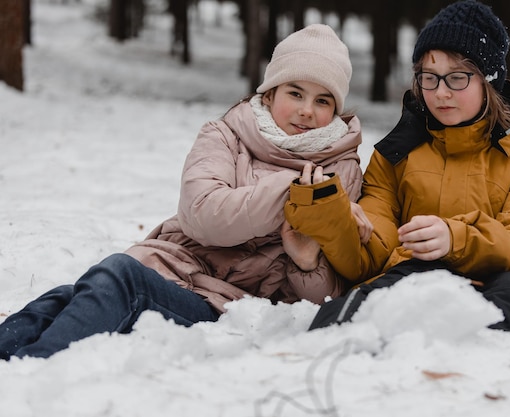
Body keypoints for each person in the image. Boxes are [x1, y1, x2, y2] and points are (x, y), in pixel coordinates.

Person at [0, 23, 364, 360]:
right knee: (78, 294)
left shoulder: (342, 172)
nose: (305, 111)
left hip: (228, 308)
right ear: (269, 94)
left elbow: (326, 298)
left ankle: (33, 372)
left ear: (335, 110)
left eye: (322, 100)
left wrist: (305, 263)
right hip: (172, 268)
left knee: (118, 278)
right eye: (295, 93)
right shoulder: (224, 135)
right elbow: (204, 216)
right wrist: (294, 192)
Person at [284, 0, 510, 337]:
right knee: (340, 320)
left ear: (489, 81)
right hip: (411, 273)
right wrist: (328, 214)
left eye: (457, 78)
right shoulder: (396, 154)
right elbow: (371, 253)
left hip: (497, 280)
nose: (441, 93)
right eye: (429, 78)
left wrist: (456, 239)